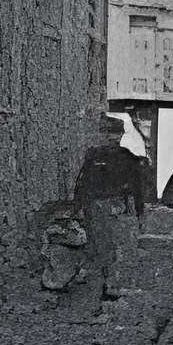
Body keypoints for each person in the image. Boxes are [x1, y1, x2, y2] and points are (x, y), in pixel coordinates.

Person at [71, 115, 146, 302]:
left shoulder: (128, 158)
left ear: (121, 136)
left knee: (114, 247)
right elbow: (82, 182)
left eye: (114, 135)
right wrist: (78, 206)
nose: (110, 138)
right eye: (106, 134)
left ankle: (109, 286)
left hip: (115, 208)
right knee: (97, 246)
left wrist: (140, 212)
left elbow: (137, 187)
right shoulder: (93, 155)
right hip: (94, 207)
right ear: (100, 135)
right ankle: (97, 285)